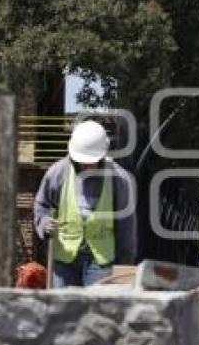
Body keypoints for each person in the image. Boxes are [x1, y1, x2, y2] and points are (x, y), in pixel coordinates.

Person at [34, 120, 136, 287]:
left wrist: (125, 266)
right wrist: (44, 223)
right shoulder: (57, 172)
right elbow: (41, 205)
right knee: (63, 310)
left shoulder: (119, 179)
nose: (87, 164)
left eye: (92, 160)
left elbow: (127, 226)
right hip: (64, 259)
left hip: (100, 261)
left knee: (97, 310)